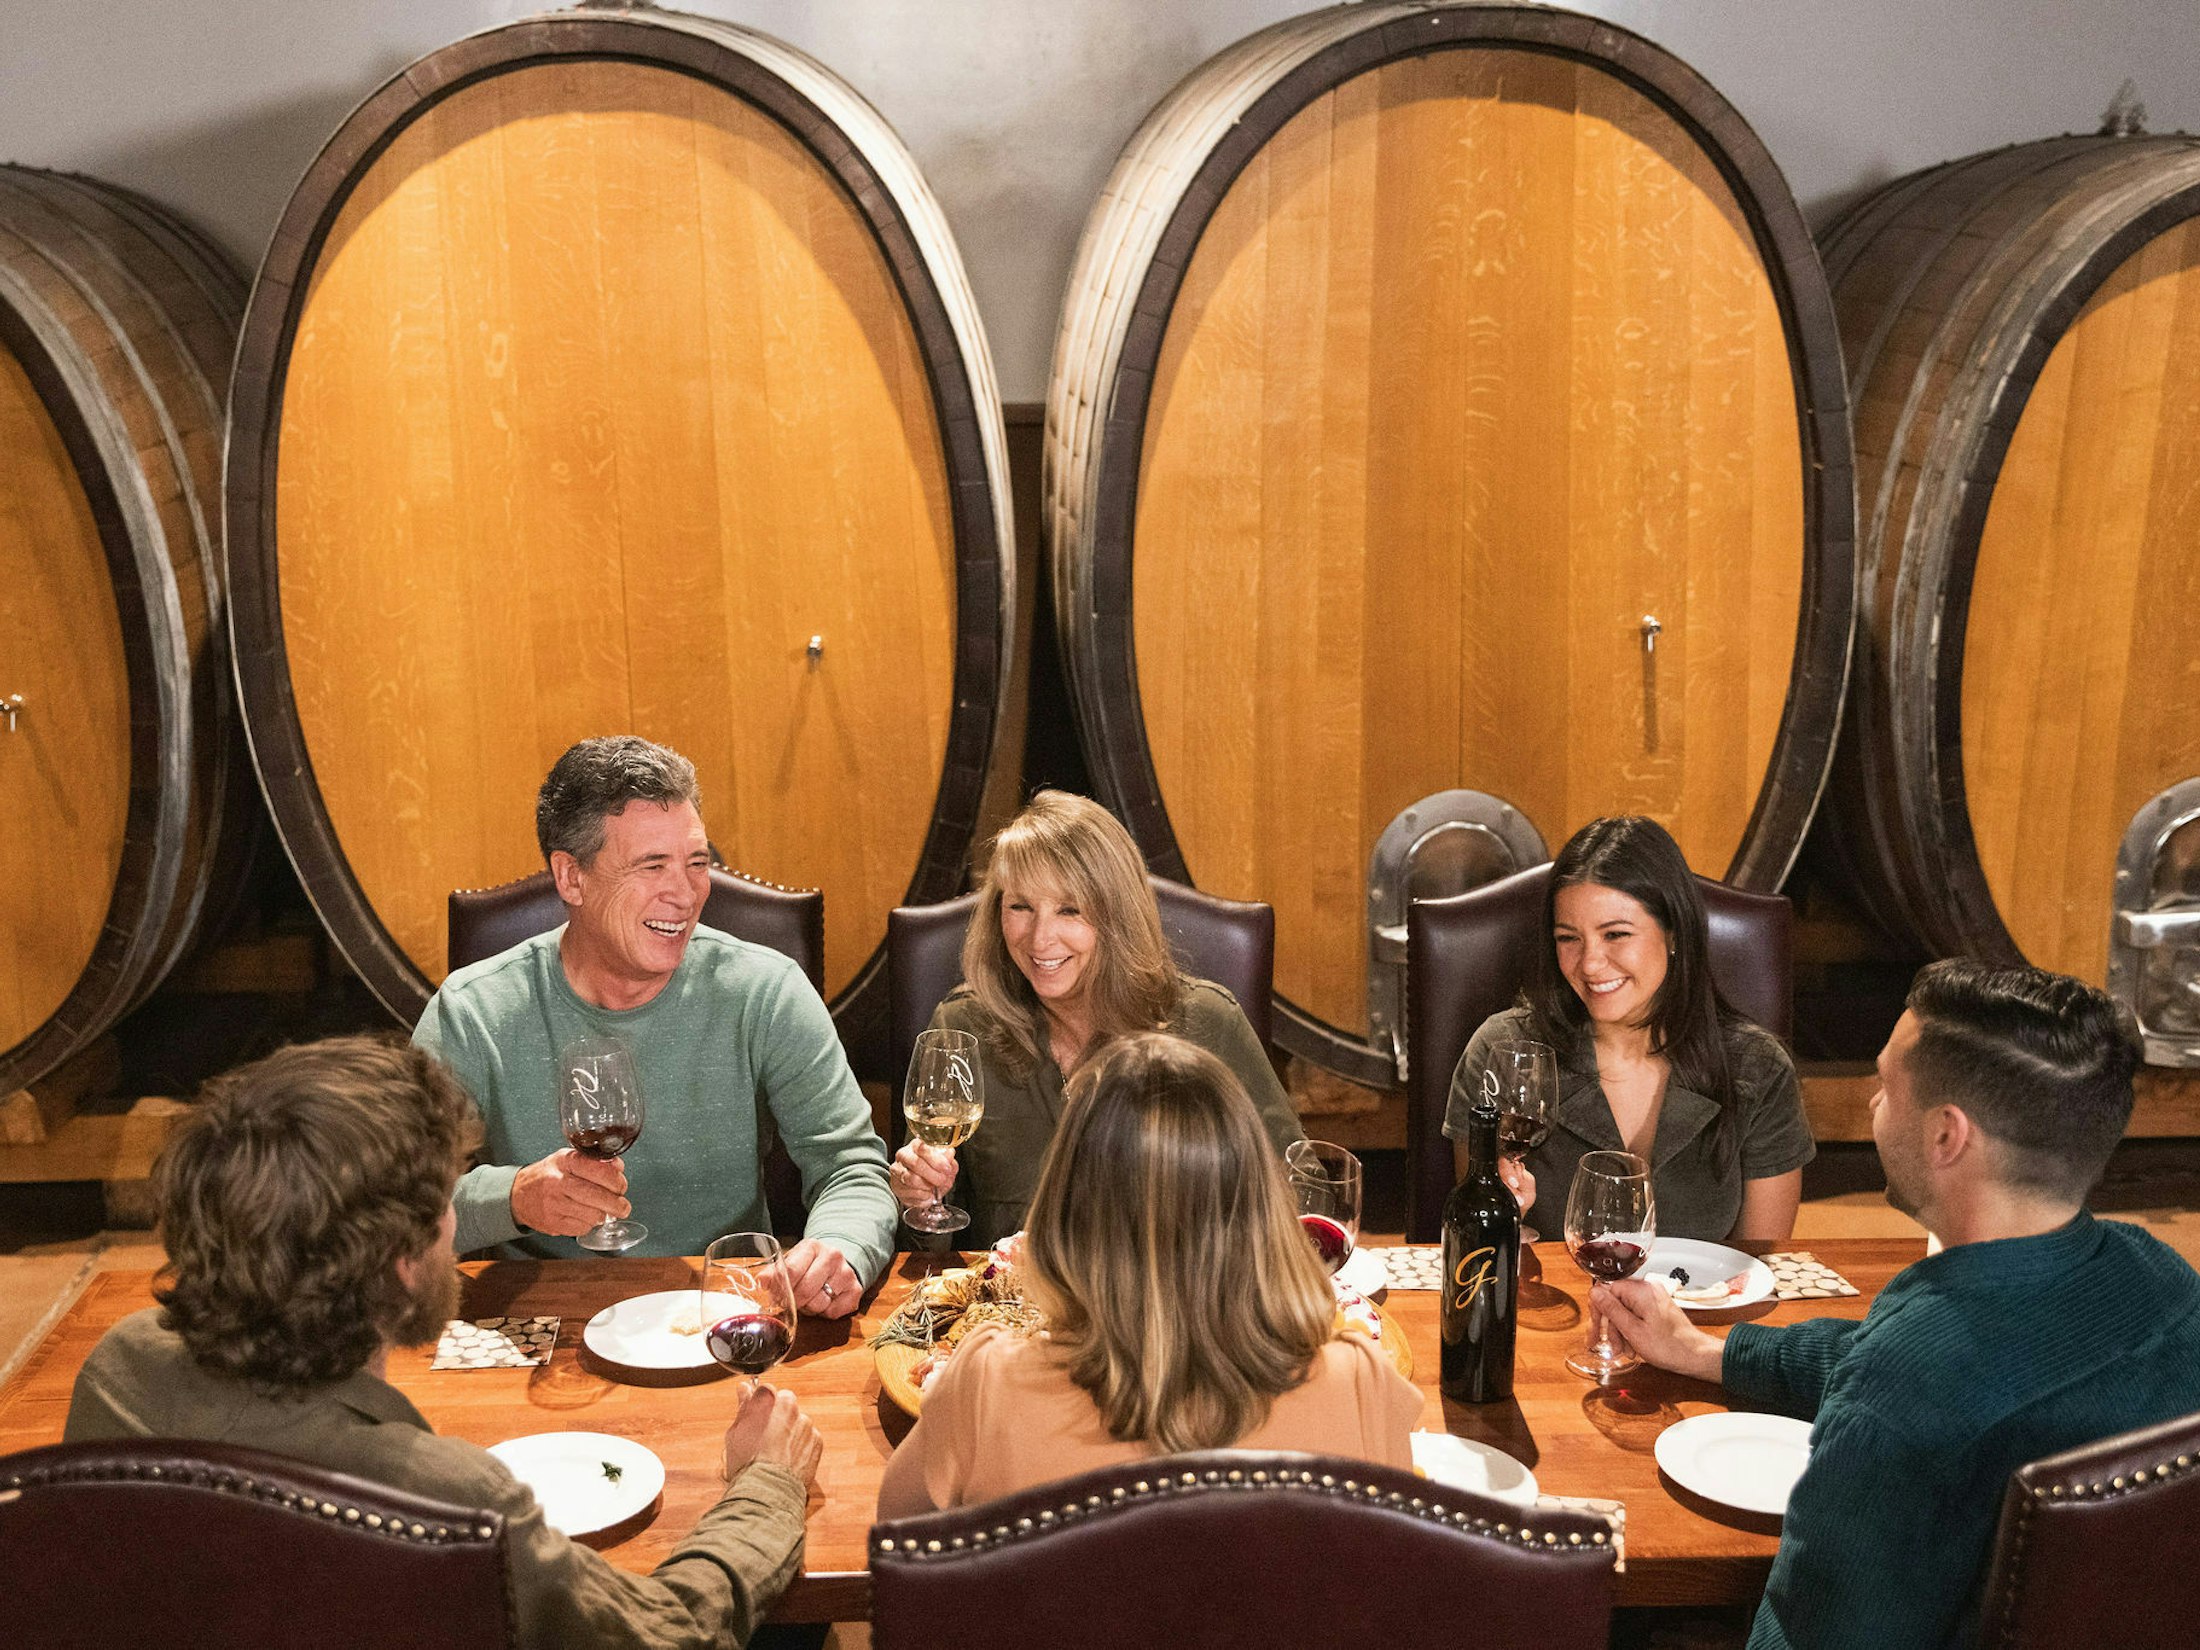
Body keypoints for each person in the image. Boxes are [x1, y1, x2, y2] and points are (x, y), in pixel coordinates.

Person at [65, 1036, 823, 1649]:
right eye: (445, 1199)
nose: (457, 1221)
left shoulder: (119, 1371)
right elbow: (669, 1633)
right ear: (400, 1261)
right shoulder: (451, 1501)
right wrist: (767, 1486)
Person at [1596, 960, 2200, 1650]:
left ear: (1947, 1135)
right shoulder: (2162, 1275)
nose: (1876, 1106)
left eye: (1885, 1085)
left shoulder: (1908, 1390)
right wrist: (1714, 1353)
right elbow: (1907, 1365)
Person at [414, 736, 894, 1315]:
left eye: (697, 863)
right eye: (651, 866)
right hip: (539, 1320)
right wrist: (511, 1199)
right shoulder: (473, 1012)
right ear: (572, 879)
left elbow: (851, 1165)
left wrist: (841, 1246)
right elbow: (392, 1209)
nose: (686, 893)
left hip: (727, 1308)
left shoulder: (766, 990)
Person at [878, 1033, 1420, 1513]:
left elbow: (899, 1565)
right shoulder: (1362, 1386)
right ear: (1265, 1212)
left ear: (1063, 1216)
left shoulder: (984, 1389)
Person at [888, 790, 1302, 1247]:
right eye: (1020, 906)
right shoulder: (962, 1027)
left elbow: (1296, 1195)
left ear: (1117, 916)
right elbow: (932, 1248)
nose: (1040, 938)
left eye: (1070, 910)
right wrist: (917, 1197)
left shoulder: (1209, 1024)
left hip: (1178, 1309)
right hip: (1010, 1313)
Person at [1445, 815, 1813, 1243]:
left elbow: (1758, 1271)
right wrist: (1504, 1221)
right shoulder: (1503, 1053)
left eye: (1616, 934)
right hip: (1548, 1308)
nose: (1590, 964)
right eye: (1569, 938)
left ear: (1674, 932)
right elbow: (1480, 1252)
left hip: (1697, 1311)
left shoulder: (1758, 1068)